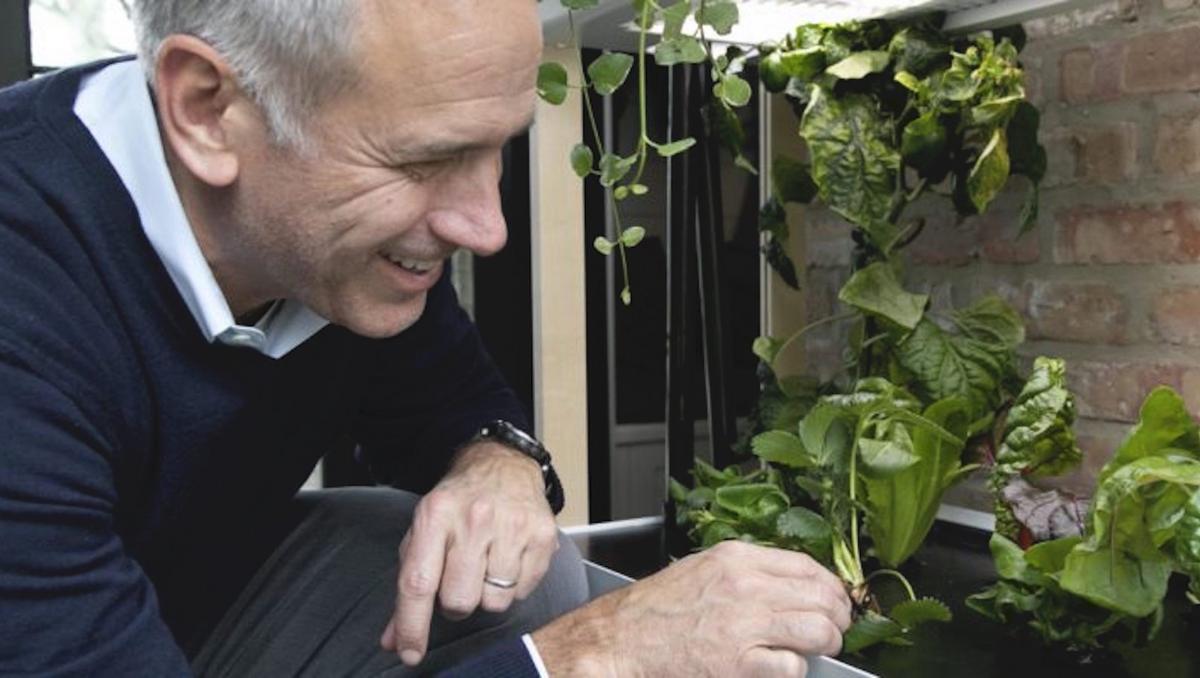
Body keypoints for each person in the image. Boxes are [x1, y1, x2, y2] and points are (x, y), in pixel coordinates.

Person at [0, 0, 852, 676]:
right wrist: (596, 657)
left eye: (496, 150)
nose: (486, 228)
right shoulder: (25, 301)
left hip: (189, 617)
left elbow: (450, 395)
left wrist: (497, 463)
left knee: (509, 566)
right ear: (208, 109)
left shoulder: (331, 253)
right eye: (424, 162)